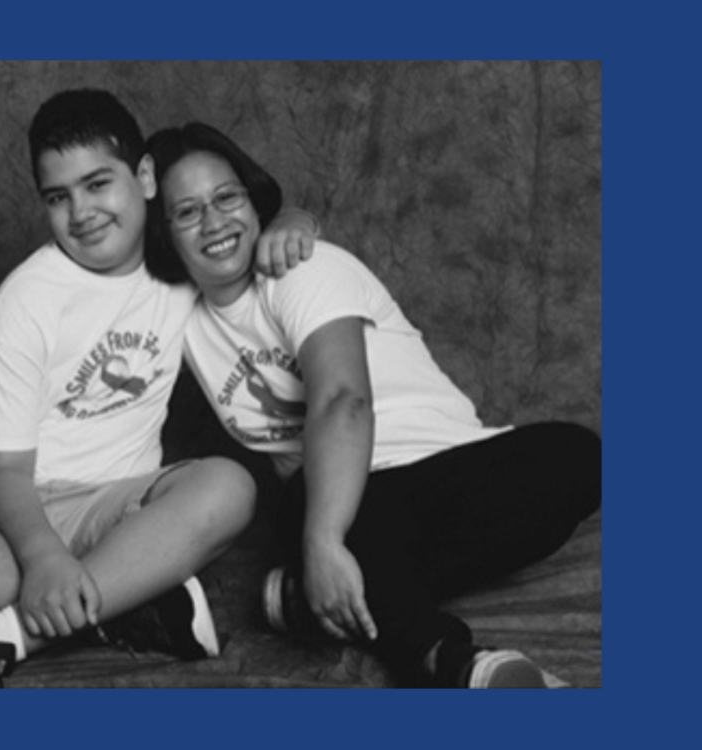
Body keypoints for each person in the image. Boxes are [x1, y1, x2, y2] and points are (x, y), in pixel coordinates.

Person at [0, 91, 318, 688]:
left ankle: (14, 630)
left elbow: (234, 229)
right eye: (58, 197)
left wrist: (293, 220)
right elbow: (2, 474)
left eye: (97, 184)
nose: (81, 212)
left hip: (115, 510)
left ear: (144, 177)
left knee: (229, 487)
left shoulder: (180, 262)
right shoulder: (27, 299)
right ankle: (127, 599)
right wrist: (43, 560)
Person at [143, 122, 602, 688]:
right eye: (187, 212)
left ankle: (309, 599)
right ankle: (459, 664)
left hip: (445, 471)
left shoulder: (304, 269)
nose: (215, 222)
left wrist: (321, 546)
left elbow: (343, 400)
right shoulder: (174, 314)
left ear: (251, 197)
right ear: (163, 232)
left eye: (227, 197)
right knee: (320, 501)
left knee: (577, 454)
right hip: (345, 497)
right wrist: (323, 532)